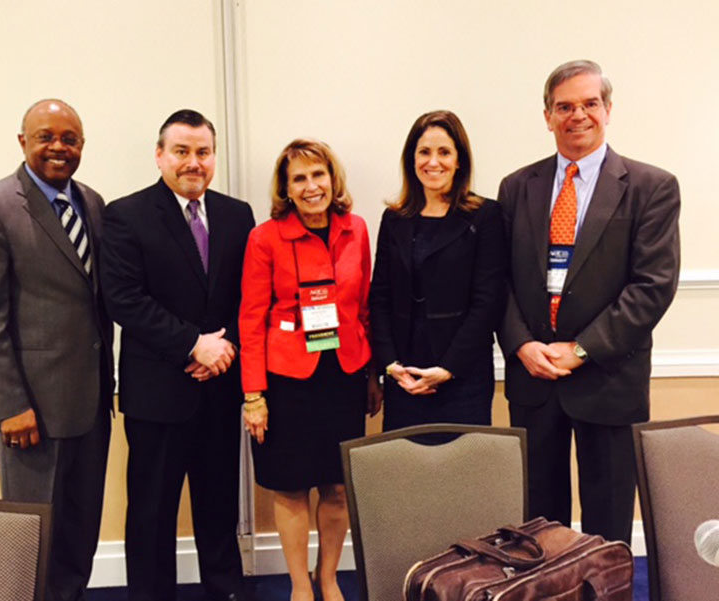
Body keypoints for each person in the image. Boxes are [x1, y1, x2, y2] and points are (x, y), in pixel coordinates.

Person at [498, 60, 680, 543]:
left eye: (589, 104)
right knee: (539, 524)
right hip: (535, 379)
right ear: (547, 116)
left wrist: (580, 349)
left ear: (608, 109)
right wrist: (522, 346)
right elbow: (500, 283)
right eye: (564, 106)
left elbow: (652, 287)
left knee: (609, 522)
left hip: (608, 377)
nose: (578, 115)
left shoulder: (650, 188)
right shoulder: (517, 188)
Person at [0, 99, 114, 601]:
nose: (58, 148)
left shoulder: (92, 202)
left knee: (79, 533)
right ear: (22, 141)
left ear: (82, 146)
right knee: (33, 537)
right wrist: (9, 406)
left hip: (91, 404)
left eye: (70, 139)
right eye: (46, 136)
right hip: (32, 413)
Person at [99, 109, 254, 601]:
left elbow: (245, 299)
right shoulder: (125, 214)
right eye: (182, 151)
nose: (193, 162)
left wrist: (223, 350)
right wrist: (194, 344)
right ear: (160, 154)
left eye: (203, 152)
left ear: (213, 157)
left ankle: (226, 590)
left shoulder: (237, 214)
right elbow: (124, 298)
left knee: (218, 506)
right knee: (151, 511)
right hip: (158, 393)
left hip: (221, 386)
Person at [239, 139, 380, 601]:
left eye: (318, 175)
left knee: (337, 487)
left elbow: (363, 308)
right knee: (291, 486)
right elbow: (251, 319)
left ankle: (328, 576)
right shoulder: (265, 237)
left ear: (332, 178)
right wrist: (254, 395)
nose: (311, 186)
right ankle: (300, 584)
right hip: (286, 382)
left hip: (343, 375)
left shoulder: (355, 228)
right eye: (299, 178)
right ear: (286, 188)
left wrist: (372, 374)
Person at [369, 110, 506, 431]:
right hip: (404, 377)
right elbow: (380, 297)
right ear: (411, 159)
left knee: (461, 475)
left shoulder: (485, 216)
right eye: (424, 152)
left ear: (460, 160)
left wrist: (447, 368)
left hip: (462, 377)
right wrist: (390, 365)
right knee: (408, 474)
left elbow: (488, 303)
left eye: (444, 152)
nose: (434, 162)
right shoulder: (394, 219)